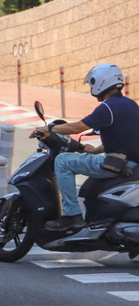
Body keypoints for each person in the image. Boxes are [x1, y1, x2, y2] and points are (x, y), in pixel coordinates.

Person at [31, 63, 139, 231]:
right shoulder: (131, 104)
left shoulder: (108, 108)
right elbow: (124, 138)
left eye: (92, 82)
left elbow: (77, 128)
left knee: (62, 161)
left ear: (101, 82)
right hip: (128, 162)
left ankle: (71, 216)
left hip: (118, 164)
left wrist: (48, 129)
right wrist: (96, 150)